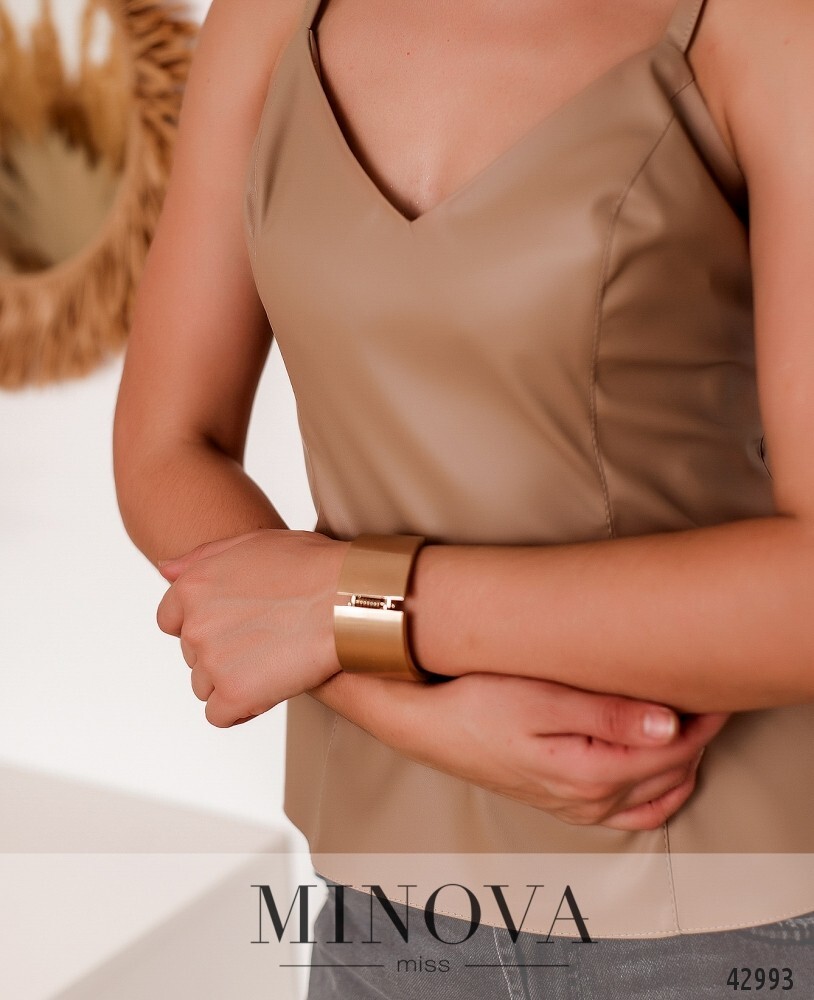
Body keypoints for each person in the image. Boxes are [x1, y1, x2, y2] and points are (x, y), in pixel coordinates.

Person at [113, 0, 814, 996]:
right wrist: (409, 710)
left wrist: (349, 608)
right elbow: (167, 446)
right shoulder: (269, 19)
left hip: (728, 908)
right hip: (382, 900)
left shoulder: (770, 27)